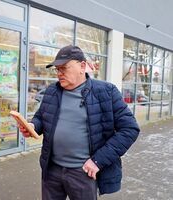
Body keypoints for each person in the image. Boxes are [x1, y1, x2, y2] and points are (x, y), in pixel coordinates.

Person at [19, 45, 140, 200]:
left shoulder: (106, 92)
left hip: (83, 172)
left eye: (64, 68)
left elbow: (129, 129)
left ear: (82, 66)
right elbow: (41, 118)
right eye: (57, 69)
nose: (59, 73)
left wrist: (98, 161)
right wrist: (33, 126)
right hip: (52, 170)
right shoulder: (52, 91)